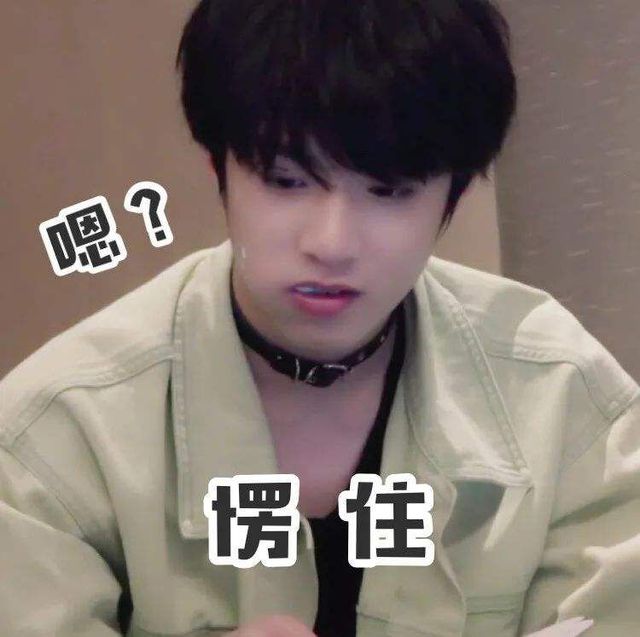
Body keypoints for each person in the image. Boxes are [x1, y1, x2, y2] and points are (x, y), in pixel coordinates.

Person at [1, 1, 639, 635]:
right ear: (218, 166)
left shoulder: (560, 395)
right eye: (286, 180)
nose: (331, 244)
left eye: (389, 191)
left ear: (456, 190)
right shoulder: (57, 436)